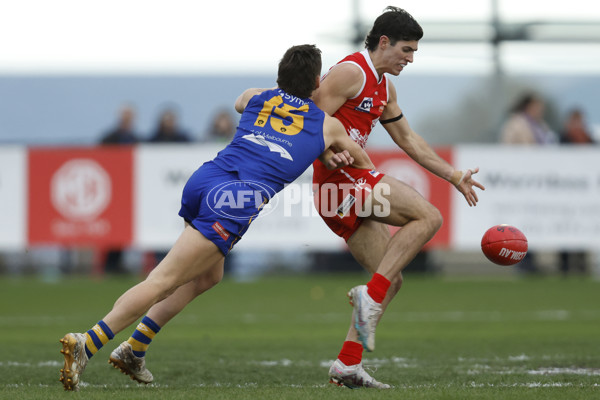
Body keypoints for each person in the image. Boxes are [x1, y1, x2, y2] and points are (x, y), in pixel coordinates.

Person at [58, 44, 375, 392]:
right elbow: (360, 159)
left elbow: (240, 103)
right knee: (164, 280)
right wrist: (334, 156)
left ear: (279, 76)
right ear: (318, 82)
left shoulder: (257, 96)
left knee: (206, 276)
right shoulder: (327, 126)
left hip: (204, 180)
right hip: (233, 201)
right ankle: (86, 343)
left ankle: (135, 348)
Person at [309, 7, 485, 389]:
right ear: (384, 42)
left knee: (391, 280)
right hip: (338, 180)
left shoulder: (385, 87)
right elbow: (308, 119)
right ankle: (366, 298)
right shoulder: (351, 72)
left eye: (414, 52)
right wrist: (325, 153)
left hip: (344, 183)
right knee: (429, 217)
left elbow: (409, 141)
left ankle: (346, 365)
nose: (410, 59)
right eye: (407, 50)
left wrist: (454, 176)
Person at [500, 92, 557, 274]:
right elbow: (507, 149)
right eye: (537, 106)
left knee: (534, 217)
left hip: (538, 180)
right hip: (521, 179)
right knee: (522, 218)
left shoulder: (541, 126)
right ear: (528, 106)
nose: (540, 110)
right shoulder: (515, 124)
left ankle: (531, 259)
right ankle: (522, 259)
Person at [98, 105, 141, 274]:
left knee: (123, 225)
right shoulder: (109, 138)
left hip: (129, 188)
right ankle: (109, 264)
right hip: (112, 187)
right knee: (113, 225)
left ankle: (117, 263)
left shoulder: (135, 138)